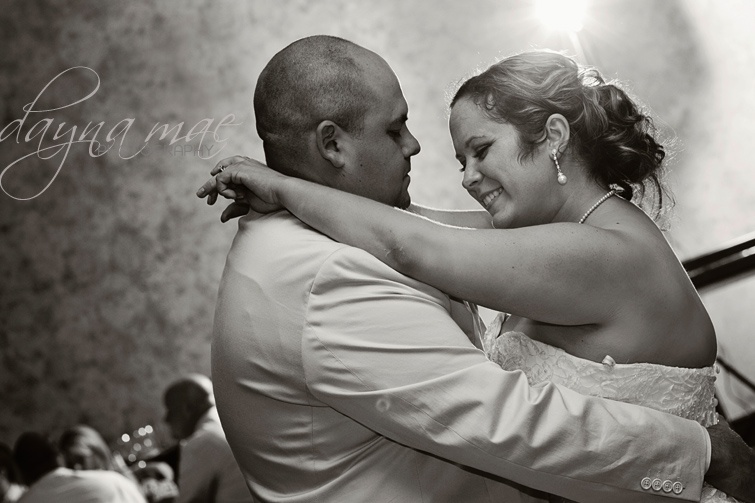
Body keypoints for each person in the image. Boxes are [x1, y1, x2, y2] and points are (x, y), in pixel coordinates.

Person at [196, 36, 755, 502]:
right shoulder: (561, 235)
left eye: (481, 150)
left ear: (553, 138)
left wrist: (286, 187)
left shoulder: (599, 252)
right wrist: (295, 193)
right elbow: (416, 226)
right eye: (461, 160)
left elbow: (411, 244)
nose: (466, 177)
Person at [162, 374, 252, 503]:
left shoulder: (202, 441)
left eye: (170, 411)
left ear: (187, 409)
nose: (165, 419)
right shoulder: (236, 418)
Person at [13, 431, 146, 503]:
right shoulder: (113, 485)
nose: (78, 467)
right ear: (59, 457)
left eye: (80, 459)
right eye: (72, 462)